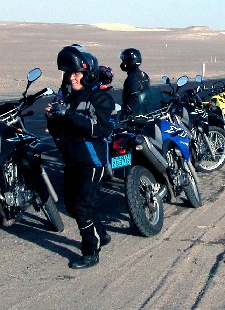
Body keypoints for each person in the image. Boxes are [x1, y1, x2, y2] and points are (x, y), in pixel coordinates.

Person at [46, 44, 115, 269]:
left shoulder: (101, 98)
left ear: (88, 74)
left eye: (76, 74)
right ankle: (101, 235)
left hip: (92, 161)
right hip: (72, 159)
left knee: (83, 205)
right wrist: (53, 117)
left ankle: (90, 251)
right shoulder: (66, 98)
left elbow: (100, 129)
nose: (71, 78)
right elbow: (57, 131)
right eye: (69, 74)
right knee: (72, 204)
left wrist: (69, 115)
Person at [119, 47, 151, 118]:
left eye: (124, 60)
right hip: (145, 112)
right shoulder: (144, 75)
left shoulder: (132, 78)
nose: (123, 63)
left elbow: (134, 97)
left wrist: (127, 113)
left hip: (137, 116)